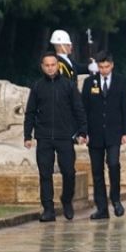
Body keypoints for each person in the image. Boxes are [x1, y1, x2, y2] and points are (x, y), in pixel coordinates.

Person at [24, 52, 88, 221]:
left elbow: (78, 109)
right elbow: (30, 112)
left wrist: (82, 131)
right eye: (47, 65)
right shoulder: (37, 87)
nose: (50, 68)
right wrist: (27, 135)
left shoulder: (68, 86)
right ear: (42, 67)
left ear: (58, 66)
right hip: (44, 136)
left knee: (68, 172)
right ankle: (48, 209)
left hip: (65, 136)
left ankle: (67, 200)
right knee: (45, 173)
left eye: (53, 65)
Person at [81, 50, 126, 220]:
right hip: (94, 134)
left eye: (107, 66)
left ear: (112, 65)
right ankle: (101, 208)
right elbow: (84, 109)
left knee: (113, 164)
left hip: (113, 133)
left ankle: (116, 199)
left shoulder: (120, 81)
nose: (104, 70)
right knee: (97, 172)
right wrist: (83, 132)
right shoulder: (89, 82)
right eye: (101, 67)